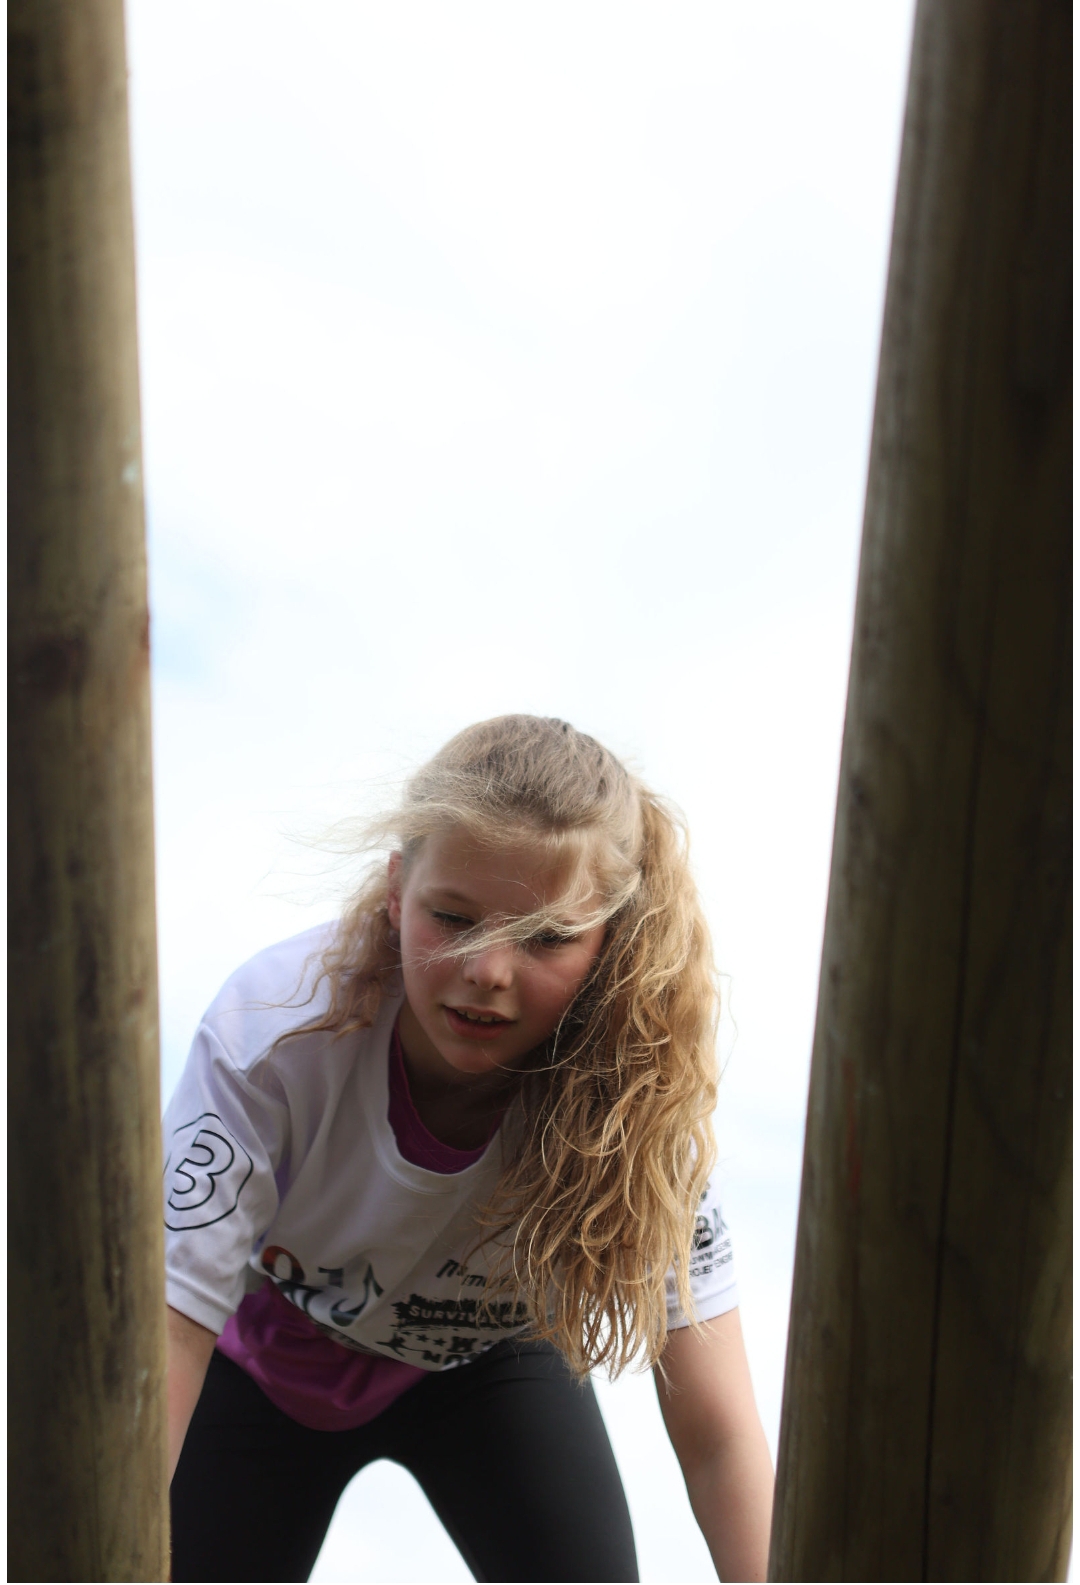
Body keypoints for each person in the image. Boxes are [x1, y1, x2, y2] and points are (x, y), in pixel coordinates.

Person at [165, 715, 774, 1583]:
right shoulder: (272, 1035)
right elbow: (168, 1331)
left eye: (547, 936)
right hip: (265, 1357)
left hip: (489, 1360)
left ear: (610, 938)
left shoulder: (639, 1099)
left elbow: (721, 1440)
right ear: (396, 891)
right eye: (452, 917)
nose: (487, 970)